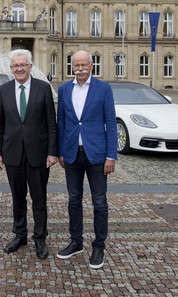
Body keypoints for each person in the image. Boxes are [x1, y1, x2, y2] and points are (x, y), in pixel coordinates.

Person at [0, 49, 58, 260]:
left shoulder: (43, 88)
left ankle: (40, 238)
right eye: (15, 66)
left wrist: (52, 152)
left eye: (23, 65)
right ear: (11, 69)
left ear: (30, 66)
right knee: (17, 198)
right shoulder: (3, 90)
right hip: (12, 154)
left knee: (39, 199)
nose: (19, 68)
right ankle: (20, 235)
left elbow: (51, 124)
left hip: (38, 154)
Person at [56, 50, 117, 269]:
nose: (80, 69)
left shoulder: (103, 89)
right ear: (71, 67)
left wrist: (111, 156)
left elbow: (111, 124)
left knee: (99, 202)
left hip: (97, 155)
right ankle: (76, 242)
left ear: (91, 66)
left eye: (84, 65)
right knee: (74, 200)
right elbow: (61, 123)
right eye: (76, 65)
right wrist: (61, 152)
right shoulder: (63, 89)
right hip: (72, 154)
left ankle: (99, 246)